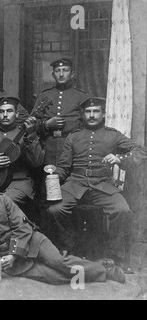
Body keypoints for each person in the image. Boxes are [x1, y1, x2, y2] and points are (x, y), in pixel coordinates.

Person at [0, 172, 126, 285]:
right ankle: (95, 266)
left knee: (59, 262)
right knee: (55, 278)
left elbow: (22, 227)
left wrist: (13, 254)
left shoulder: (2, 200)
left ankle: (105, 270)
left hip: (32, 241)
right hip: (6, 259)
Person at [46, 97, 146, 272]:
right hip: (75, 183)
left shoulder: (113, 135)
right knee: (55, 209)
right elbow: (63, 167)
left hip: (102, 185)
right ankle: (67, 246)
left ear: (104, 114)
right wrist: (53, 176)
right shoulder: (74, 136)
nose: (92, 115)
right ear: (83, 115)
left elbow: (141, 151)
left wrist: (119, 158)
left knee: (121, 209)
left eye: (96, 111)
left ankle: (116, 257)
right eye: (88, 112)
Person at [0, 96, 44, 206]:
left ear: (17, 114)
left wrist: (31, 135)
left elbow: (36, 162)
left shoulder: (25, 134)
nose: (5, 115)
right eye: (2, 111)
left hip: (19, 182)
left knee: (2, 203)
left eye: (9, 111)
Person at [31, 57, 89, 167]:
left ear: (72, 74)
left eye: (65, 70)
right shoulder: (44, 95)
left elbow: (88, 125)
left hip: (73, 147)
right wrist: (47, 124)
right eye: (57, 71)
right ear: (53, 75)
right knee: (48, 180)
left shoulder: (81, 96)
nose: (61, 74)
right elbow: (31, 124)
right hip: (48, 148)